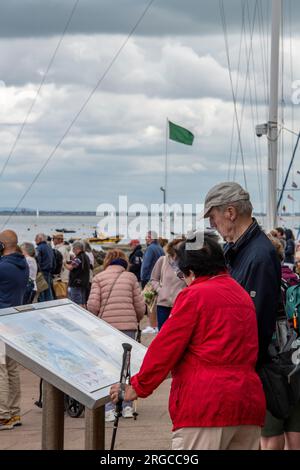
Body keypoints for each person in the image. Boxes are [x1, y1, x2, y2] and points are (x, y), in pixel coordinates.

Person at [110, 234, 266, 450]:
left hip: (205, 404)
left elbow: (166, 348)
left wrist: (138, 386)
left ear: (191, 270)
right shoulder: (241, 294)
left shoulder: (194, 296)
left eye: (183, 274)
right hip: (247, 402)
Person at [204, 182, 281, 368]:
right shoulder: (237, 250)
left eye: (212, 217)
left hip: (243, 369)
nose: (211, 224)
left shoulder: (259, 256)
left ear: (230, 213)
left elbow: (256, 326)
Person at [87, 249, 145, 422]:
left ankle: (109, 408)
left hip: (106, 328)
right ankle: (126, 407)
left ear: (107, 261)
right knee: (126, 367)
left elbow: (92, 306)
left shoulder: (99, 278)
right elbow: (140, 306)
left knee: (108, 367)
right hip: (128, 327)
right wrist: (135, 319)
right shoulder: (130, 278)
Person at [261, 235, 300, 450]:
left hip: (271, 362)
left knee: (270, 433)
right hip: (297, 360)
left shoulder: (261, 282)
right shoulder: (295, 280)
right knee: (296, 429)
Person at [0, 230, 29, 430]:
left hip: (1, 319)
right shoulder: (23, 265)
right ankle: (14, 412)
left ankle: (2, 414)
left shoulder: (3, 267)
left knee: (0, 370)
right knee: (11, 369)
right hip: (13, 320)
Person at [150, 238, 186, 330]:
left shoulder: (186, 262)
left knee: (177, 332)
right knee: (162, 332)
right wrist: (159, 290)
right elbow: (154, 279)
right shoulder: (163, 260)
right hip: (163, 305)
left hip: (180, 306)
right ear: (172, 246)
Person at [140, 231, 164, 334]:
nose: (146, 239)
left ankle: (152, 326)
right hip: (160, 279)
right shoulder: (160, 248)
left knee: (149, 303)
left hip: (150, 279)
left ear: (152, 238)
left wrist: (142, 278)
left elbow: (145, 265)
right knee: (156, 303)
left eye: (147, 237)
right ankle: (157, 325)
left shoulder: (150, 249)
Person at [65, 241, 90, 308]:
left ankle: (79, 316)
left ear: (77, 248)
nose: (73, 250)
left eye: (73, 249)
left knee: (77, 304)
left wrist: (63, 263)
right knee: (83, 302)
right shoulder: (86, 256)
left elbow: (70, 267)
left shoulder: (79, 258)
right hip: (84, 283)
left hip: (76, 283)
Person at [35, 233, 54, 302]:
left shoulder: (39, 248)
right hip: (49, 272)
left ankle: (42, 308)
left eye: (36, 239)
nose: (35, 241)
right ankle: (51, 306)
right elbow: (53, 261)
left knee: (41, 292)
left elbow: (37, 261)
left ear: (40, 239)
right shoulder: (49, 247)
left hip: (42, 273)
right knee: (48, 291)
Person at [52, 232, 70, 299]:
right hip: (65, 277)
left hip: (60, 278)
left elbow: (59, 264)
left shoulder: (59, 250)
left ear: (58, 240)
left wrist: (56, 276)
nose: (52, 240)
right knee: (64, 297)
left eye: (53, 239)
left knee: (60, 299)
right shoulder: (64, 249)